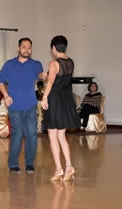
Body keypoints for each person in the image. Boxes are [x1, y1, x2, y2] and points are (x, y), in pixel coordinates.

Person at [0, 37, 46, 174]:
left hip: (30, 105)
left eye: (29, 47)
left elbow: (40, 75)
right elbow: (0, 81)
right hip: (14, 106)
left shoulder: (36, 64)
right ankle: (13, 164)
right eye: (24, 47)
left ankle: (29, 164)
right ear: (18, 48)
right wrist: (6, 95)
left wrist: (43, 75)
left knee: (32, 134)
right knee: (17, 134)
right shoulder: (9, 64)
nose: (27, 50)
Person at [41, 35, 81, 181]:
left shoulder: (53, 63)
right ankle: (69, 167)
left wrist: (44, 97)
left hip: (55, 99)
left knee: (53, 135)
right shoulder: (71, 62)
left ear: (53, 48)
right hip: (66, 99)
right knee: (61, 135)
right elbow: (60, 78)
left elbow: (51, 81)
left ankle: (59, 169)